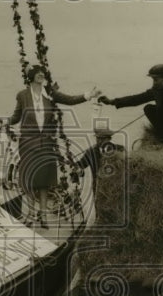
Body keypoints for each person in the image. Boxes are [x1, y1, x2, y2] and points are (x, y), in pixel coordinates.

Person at [8, 65, 99, 227]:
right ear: (31, 76)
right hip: (28, 144)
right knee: (29, 180)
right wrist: (3, 123)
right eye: (38, 73)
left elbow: (70, 100)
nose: (41, 75)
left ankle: (42, 216)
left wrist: (88, 95)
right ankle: (30, 214)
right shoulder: (22, 96)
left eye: (43, 73)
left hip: (46, 144)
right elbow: (16, 117)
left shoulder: (50, 94)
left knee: (44, 182)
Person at [99, 64, 163, 147]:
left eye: (156, 79)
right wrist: (112, 102)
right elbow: (136, 99)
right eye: (152, 79)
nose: (154, 83)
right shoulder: (156, 90)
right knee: (148, 108)